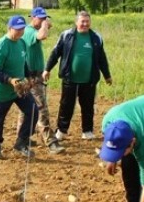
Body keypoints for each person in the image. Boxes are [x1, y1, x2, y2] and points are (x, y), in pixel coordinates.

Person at [44, 10, 113, 141]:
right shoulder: (66, 35)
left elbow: (102, 58)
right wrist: (47, 69)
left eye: (87, 21)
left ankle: (87, 131)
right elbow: (55, 53)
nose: (85, 24)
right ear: (76, 22)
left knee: (88, 106)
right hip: (70, 78)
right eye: (82, 21)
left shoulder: (96, 37)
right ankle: (62, 131)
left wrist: (107, 75)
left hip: (89, 80)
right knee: (66, 105)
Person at [0, 15, 38, 159]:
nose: (21, 32)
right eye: (17, 29)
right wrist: (10, 80)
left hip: (20, 89)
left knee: (33, 111)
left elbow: (23, 63)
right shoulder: (1, 45)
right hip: (2, 91)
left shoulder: (21, 43)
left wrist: (29, 77)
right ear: (10, 28)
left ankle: (21, 142)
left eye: (22, 28)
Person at [20, 7, 64, 154]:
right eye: (41, 18)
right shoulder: (29, 31)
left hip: (34, 75)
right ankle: (50, 142)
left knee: (27, 108)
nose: (44, 20)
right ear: (32, 17)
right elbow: (43, 35)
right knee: (41, 108)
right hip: (30, 76)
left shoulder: (33, 30)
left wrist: (45, 23)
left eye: (45, 17)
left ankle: (23, 138)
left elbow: (45, 30)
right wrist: (45, 25)